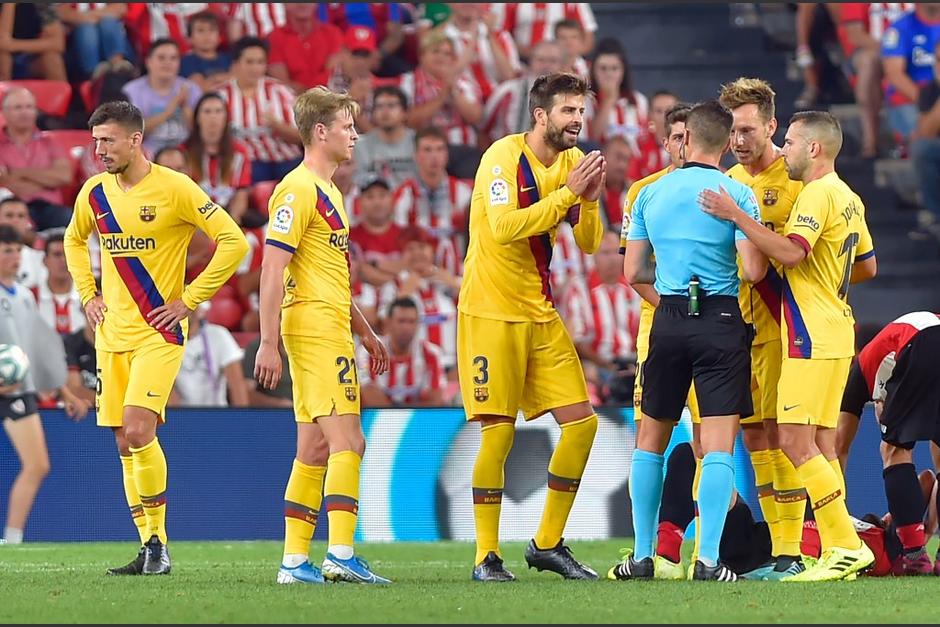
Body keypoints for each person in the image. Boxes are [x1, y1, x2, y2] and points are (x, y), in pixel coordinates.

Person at [63, 100, 248, 576]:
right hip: (111, 335)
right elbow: (72, 239)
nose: (98, 149)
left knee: (140, 429)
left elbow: (234, 241)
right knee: (125, 442)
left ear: (135, 139)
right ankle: (151, 545)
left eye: (107, 140)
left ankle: (157, 546)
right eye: (95, 141)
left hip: (158, 331)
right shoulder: (95, 193)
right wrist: (88, 294)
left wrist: (190, 298)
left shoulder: (175, 188)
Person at [699, 110, 878, 581]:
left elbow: (794, 251)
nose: (787, 151)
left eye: (793, 143)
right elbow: (867, 266)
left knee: (795, 441)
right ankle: (839, 548)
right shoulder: (848, 197)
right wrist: (824, 280)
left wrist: (738, 216)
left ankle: (845, 544)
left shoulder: (815, 195)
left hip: (807, 332)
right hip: (838, 327)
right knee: (820, 442)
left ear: (814, 149)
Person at [458, 72, 605, 582]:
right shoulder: (502, 157)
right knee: (498, 436)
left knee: (582, 424)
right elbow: (502, 228)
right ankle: (486, 557)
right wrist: (568, 195)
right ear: (540, 115)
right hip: (489, 312)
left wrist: (587, 199)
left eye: (580, 111)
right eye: (568, 111)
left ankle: (546, 543)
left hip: (540, 314)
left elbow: (588, 242)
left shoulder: (574, 163)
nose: (577, 120)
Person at [614, 99, 767, 583]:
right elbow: (754, 270)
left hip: (669, 317)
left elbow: (632, 271)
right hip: (721, 317)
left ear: (686, 139)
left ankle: (641, 556)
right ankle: (707, 561)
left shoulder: (648, 195)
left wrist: (674, 305)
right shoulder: (735, 193)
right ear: (725, 142)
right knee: (718, 446)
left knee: (650, 442)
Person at [253, 86, 391, 586]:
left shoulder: (329, 190)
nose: (354, 134)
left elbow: (329, 272)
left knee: (312, 449)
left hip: (330, 322)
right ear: (320, 131)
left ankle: (294, 562)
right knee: (349, 440)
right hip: (313, 328)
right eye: (347, 125)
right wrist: (268, 341)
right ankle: (340, 553)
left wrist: (367, 330)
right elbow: (272, 269)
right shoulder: (296, 190)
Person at [718, 77, 806, 580]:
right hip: (740, 328)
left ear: (772, 125)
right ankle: (778, 547)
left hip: (782, 325)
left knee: (784, 434)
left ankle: (793, 549)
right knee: (754, 440)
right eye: (732, 129)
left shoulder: (795, 179)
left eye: (749, 128)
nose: (739, 139)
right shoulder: (730, 180)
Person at [616, 104, 703, 582]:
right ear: (664, 142)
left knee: (716, 446)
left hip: (714, 330)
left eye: (689, 136)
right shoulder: (643, 193)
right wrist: (674, 306)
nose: (682, 145)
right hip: (661, 332)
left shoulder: (722, 188)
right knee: (653, 440)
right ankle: (647, 549)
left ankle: (703, 554)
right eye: (674, 137)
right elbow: (633, 270)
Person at [0, 224, 89, 545]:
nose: (14, 257)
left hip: (17, 391)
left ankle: (12, 538)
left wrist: (65, 393)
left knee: (37, 464)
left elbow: (35, 350)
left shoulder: (24, 296)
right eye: (7, 250)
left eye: (18, 251)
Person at [835, 311, 940, 575]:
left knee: (893, 449)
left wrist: (831, 517)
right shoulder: (885, 350)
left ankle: (914, 555)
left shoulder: (857, 370)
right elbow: (933, 474)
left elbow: (838, 449)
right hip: (924, 337)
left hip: (920, 342)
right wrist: (928, 523)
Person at [0, 88, 74, 231]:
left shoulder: (50, 141)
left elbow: (64, 176)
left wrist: (20, 173)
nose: (25, 112)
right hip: (13, 209)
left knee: (72, 221)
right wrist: (47, 182)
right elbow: (5, 183)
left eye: (29, 107)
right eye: (18, 107)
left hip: (51, 209)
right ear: (5, 113)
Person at [359, 296, 447, 408]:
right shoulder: (369, 351)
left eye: (411, 321)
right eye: (401, 321)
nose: (406, 327)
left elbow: (436, 398)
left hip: (418, 423)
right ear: (388, 322)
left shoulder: (432, 354)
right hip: (375, 422)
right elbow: (367, 392)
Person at [122, 38, 202, 155]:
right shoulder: (132, 91)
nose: (168, 63)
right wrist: (168, 112)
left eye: (173, 58)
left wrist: (185, 107)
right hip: (148, 157)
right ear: (148, 62)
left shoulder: (192, 89)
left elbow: (201, 133)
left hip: (186, 156)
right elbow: (131, 134)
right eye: (161, 58)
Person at [170, 306, 249, 407]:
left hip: (216, 414)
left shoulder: (219, 335)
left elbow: (237, 385)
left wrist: (241, 419)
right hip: (181, 415)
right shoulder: (163, 341)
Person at [34, 231, 85, 336]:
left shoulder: (88, 296)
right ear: (44, 260)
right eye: (57, 255)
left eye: (68, 254)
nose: (64, 260)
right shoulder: (31, 296)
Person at [180, 10, 231, 93]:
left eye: (212, 30)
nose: (207, 35)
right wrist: (225, 78)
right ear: (189, 38)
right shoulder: (186, 61)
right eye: (200, 30)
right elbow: (200, 88)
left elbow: (239, 80)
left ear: (219, 37)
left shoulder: (228, 59)